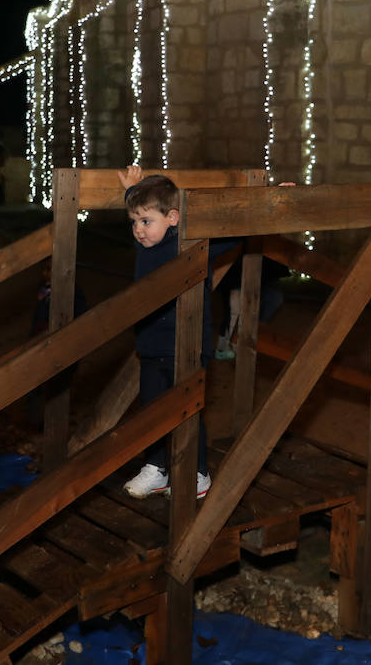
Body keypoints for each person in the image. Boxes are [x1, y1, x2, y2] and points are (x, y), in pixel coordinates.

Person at [118, 167, 230, 500]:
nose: (138, 230)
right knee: (152, 409)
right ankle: (156, 468)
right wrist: (133, 189)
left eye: (145, 222)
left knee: (188, 410)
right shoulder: (145, 245)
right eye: (134, 222)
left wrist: (272, 200)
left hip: (190, 345)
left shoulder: (193, 242)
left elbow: (238, 230)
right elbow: (145, 208)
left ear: (173, 218)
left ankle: (199, 473)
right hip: (152, 346)